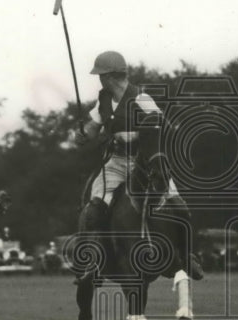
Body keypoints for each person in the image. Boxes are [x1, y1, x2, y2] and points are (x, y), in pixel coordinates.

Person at [74, 50, 202, 278]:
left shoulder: (141, 99)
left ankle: (188, 257)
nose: (100, 79)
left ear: (111, 76)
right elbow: (92, 130)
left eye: (101, 75)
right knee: (93, 211)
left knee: (181, 209)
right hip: (115, 165)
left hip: (145, 164)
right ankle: (92, 261)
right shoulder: (103, 101)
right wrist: (82, 134)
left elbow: (163, 126)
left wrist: (143, 132)